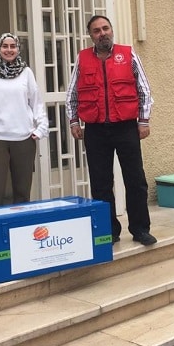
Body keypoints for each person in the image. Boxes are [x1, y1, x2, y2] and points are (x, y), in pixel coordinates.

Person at [65, 15, 156, 246]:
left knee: (135, 180)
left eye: (105, 28)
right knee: (101, 182)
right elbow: (72, 94)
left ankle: (140, 229)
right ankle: (109, 231)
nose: (102, 33)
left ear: (112, 31)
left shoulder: (128, 54)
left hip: (125, 127)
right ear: (91, 36)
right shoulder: (83, 58)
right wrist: (74, 122)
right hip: (95, 129)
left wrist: (143, 121)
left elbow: (144, 89)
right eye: (96, 30)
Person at [0, 33, 48, 206]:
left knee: (22, 192)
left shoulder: (26, 72)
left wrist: (40, 128)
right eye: (5, 46)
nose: (9, 50)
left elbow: (36, 102)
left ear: (18, 49)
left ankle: (19, 230)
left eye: (13, 46)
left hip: (23, 138)